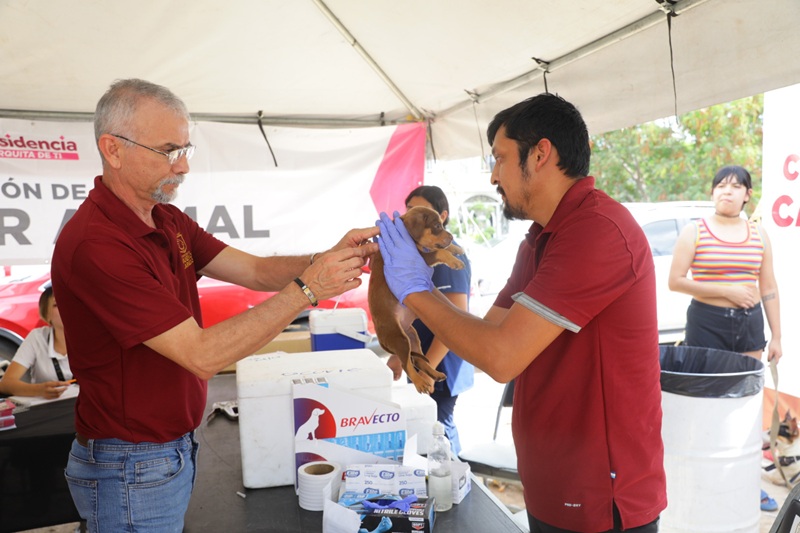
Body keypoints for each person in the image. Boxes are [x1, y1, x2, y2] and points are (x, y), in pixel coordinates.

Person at [50, 78, 378, 532]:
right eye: (169, 151)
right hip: (130, 461)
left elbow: (257, 271)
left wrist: (328, 257)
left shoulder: (165, 217)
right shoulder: (97, 243)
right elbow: (202, 355)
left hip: (167, 449)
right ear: (113, 149)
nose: (183, 166)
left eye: (186, 149)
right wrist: (308, 289)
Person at [376, 93, 666, 533]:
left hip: (598, 497)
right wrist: (412, 294)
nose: (493, 175)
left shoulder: (596, 232)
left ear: (541, 153)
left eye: (500, 158)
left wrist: (416, 289)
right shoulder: (540, 240)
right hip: (551, 482)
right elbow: (483, 336)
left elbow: (500, 357)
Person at [668, 164, 782, 511]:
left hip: (749, 325)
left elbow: (768, 287)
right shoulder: (695, 231)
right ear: (712, 192)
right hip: (707, 323)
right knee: (706, 404)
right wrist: (727, 290)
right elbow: (676, 280)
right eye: (720, 186)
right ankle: (704, 482)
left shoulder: (759, 234)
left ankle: (747, 482)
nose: (726, 191)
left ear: (748, 194)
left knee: (746, 406)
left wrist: (777, 336)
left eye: (734, 186)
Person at [384, 185, 473, 455]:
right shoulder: (416, 255)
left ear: (441, 217)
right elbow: (411, 311)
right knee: (425, 431)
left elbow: (457, 321)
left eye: (421, 211)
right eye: (410, 209)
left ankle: (459, 475)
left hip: (441, 363)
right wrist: (400, 354)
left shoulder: (447, 258)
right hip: (420, 359)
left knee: (439, 430)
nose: (411, 216)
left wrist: (427, 368)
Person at [0, 286, 74, 398]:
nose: (65, 308)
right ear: (46, 314)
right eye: (56, 305)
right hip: (50, 406)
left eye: (69, 303)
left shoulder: (91, 337)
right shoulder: (37, 337)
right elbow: (6, 384)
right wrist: (39, 390)